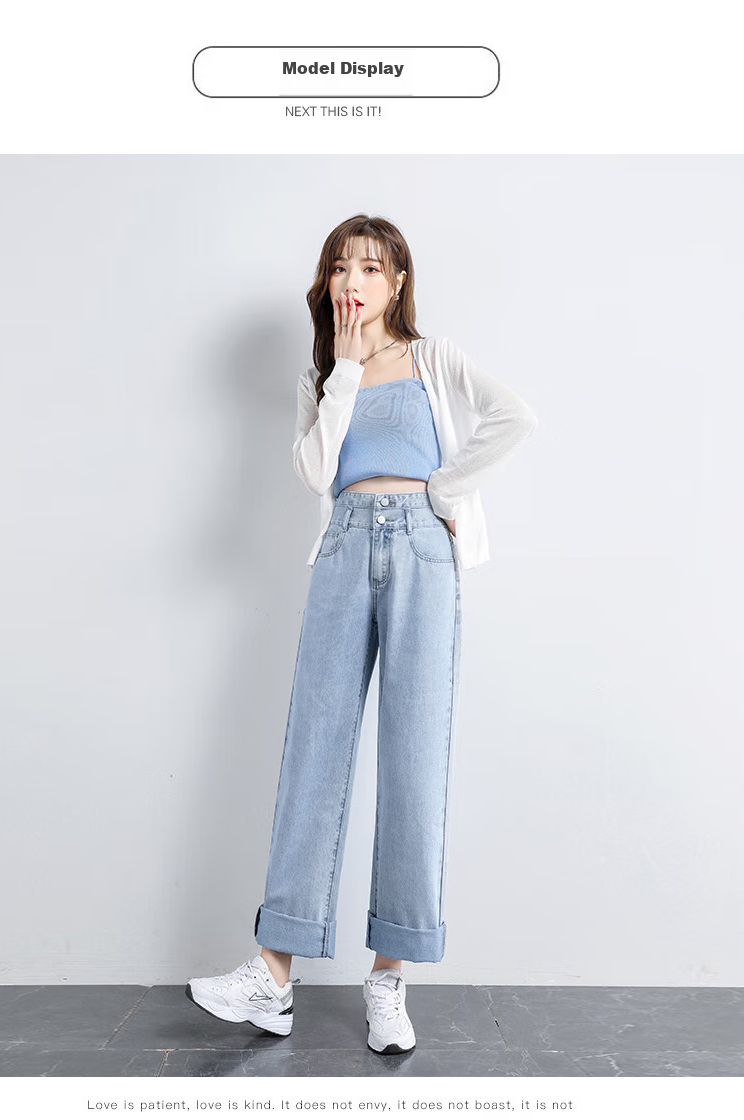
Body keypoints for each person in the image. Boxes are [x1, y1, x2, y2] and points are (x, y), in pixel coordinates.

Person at [186, 214, 538, 1055]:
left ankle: (388, 979)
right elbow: (314, 470)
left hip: (422, 550)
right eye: (342, 267)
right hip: (345, 549)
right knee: (314, 751)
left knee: (413, 758)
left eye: (371, 268)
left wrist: (442, 490)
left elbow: (515, 417)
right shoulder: (322, 376)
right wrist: (342, 373)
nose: (354, 282)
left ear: (398, 282)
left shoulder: (435, 359)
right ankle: (273, 976)